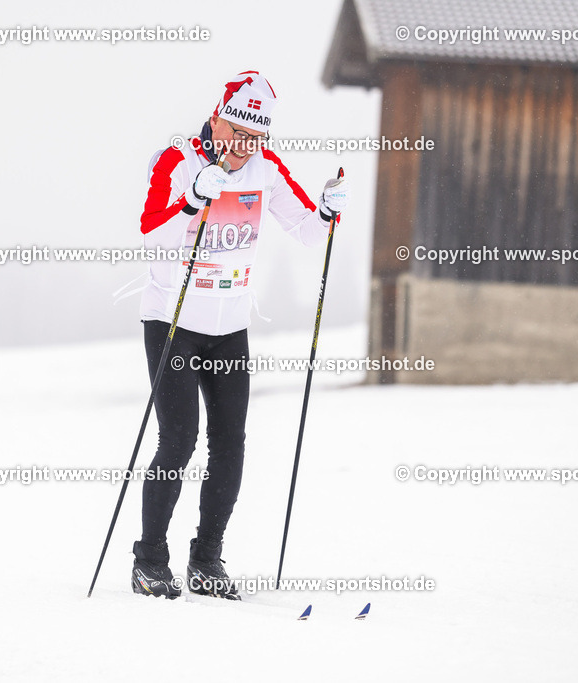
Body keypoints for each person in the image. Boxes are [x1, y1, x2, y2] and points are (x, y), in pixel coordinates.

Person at [130, 71, 350, 599]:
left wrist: (328, 209)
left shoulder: (265, 168)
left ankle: (206, 560)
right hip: (173, 321)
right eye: (237, 133)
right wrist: (190, 202)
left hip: (229, 327)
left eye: (256, 138)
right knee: (179, 441)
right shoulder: (178, 161)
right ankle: (149, 561)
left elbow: (306, 229)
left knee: (230, 444)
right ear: (218, 117)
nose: (244, 147)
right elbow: (148, 227)